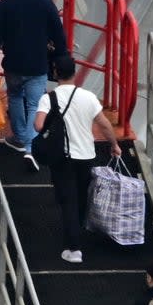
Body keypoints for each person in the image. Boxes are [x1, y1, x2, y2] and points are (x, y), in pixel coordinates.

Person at [33, 55, 120, 263]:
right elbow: (105, 124)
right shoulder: (89, 97)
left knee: (67, 200)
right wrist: (114, 145)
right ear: (75, 73)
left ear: (55, 73)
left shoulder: (49, 98)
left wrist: (51, 127)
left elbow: (38, 125)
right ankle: (78, 234)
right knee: (81, 198)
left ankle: (74, 248)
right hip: (87, 157)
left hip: (63, 158)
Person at [0, 0, 68, 171]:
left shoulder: (4, 5)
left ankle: (20, 138)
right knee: (34, 104)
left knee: (14, 96)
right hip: (38, 63)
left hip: (13, 63)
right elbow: (58, 35)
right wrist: (61, 59)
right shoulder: (45, 5)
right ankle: (31, 149)